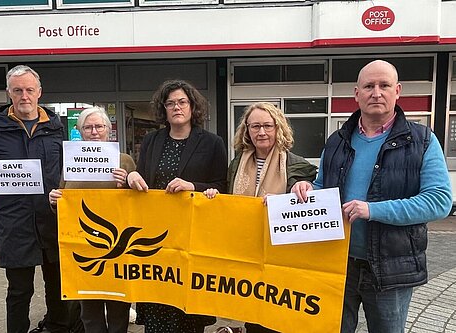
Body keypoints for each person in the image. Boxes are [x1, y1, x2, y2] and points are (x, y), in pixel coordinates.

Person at [291, 60, 452, 333]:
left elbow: (439, 201)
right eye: (368, 86)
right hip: (338, 265)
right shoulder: (337, 140)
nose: (376, 92)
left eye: (384, 85)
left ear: (397, 91)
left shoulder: (422, 140)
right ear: (357, 93)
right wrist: (307, 189)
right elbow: (323, 187)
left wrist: (373, 210)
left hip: (391, 267)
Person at [0, 65, 69, 333]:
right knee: (19, 290)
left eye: (30, 90)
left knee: (58, 287)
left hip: (53, 219)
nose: (24, 96)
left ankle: (56, 327)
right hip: (16, 221)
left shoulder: (56, 126)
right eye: (18, 90)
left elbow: (68, 169)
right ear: (8, 93)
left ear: (39, 93)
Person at [204, 102, 317, 333]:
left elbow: (306, 193)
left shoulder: (297, 163)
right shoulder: (237, 163)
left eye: (267, 125)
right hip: (246, 248)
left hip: (279, 254)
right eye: (255, 126)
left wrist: (303, 187)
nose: (261, 132)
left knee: (276, 315)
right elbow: (230, 199)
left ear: (278, 128)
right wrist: (216, 195)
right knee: (252, 311)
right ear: (247, 130)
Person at [126, 79, 228, 333]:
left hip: (193, 237)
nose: (176, 107)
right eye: (170, 103)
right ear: (163, 109)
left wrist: (193, 186)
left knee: (188, 310)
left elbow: (222, 186)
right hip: (155, 237)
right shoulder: (151, 140)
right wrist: (132, 177)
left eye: (182, 102)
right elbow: (143, 178)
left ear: (193, 106)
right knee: (158, 307)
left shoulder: (212, 142)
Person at [49, 106, 135, 333]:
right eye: (88, 127)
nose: (94, 131)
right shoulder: (71, 162)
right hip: (82, 243)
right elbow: (62, 197)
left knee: (118, 303)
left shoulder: (124, 160)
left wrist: (126, 183)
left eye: (99, 126)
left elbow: (139, 202)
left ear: (108, 130)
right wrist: (54, 199)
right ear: (80, 131)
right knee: (89, 306)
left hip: (116, 244)